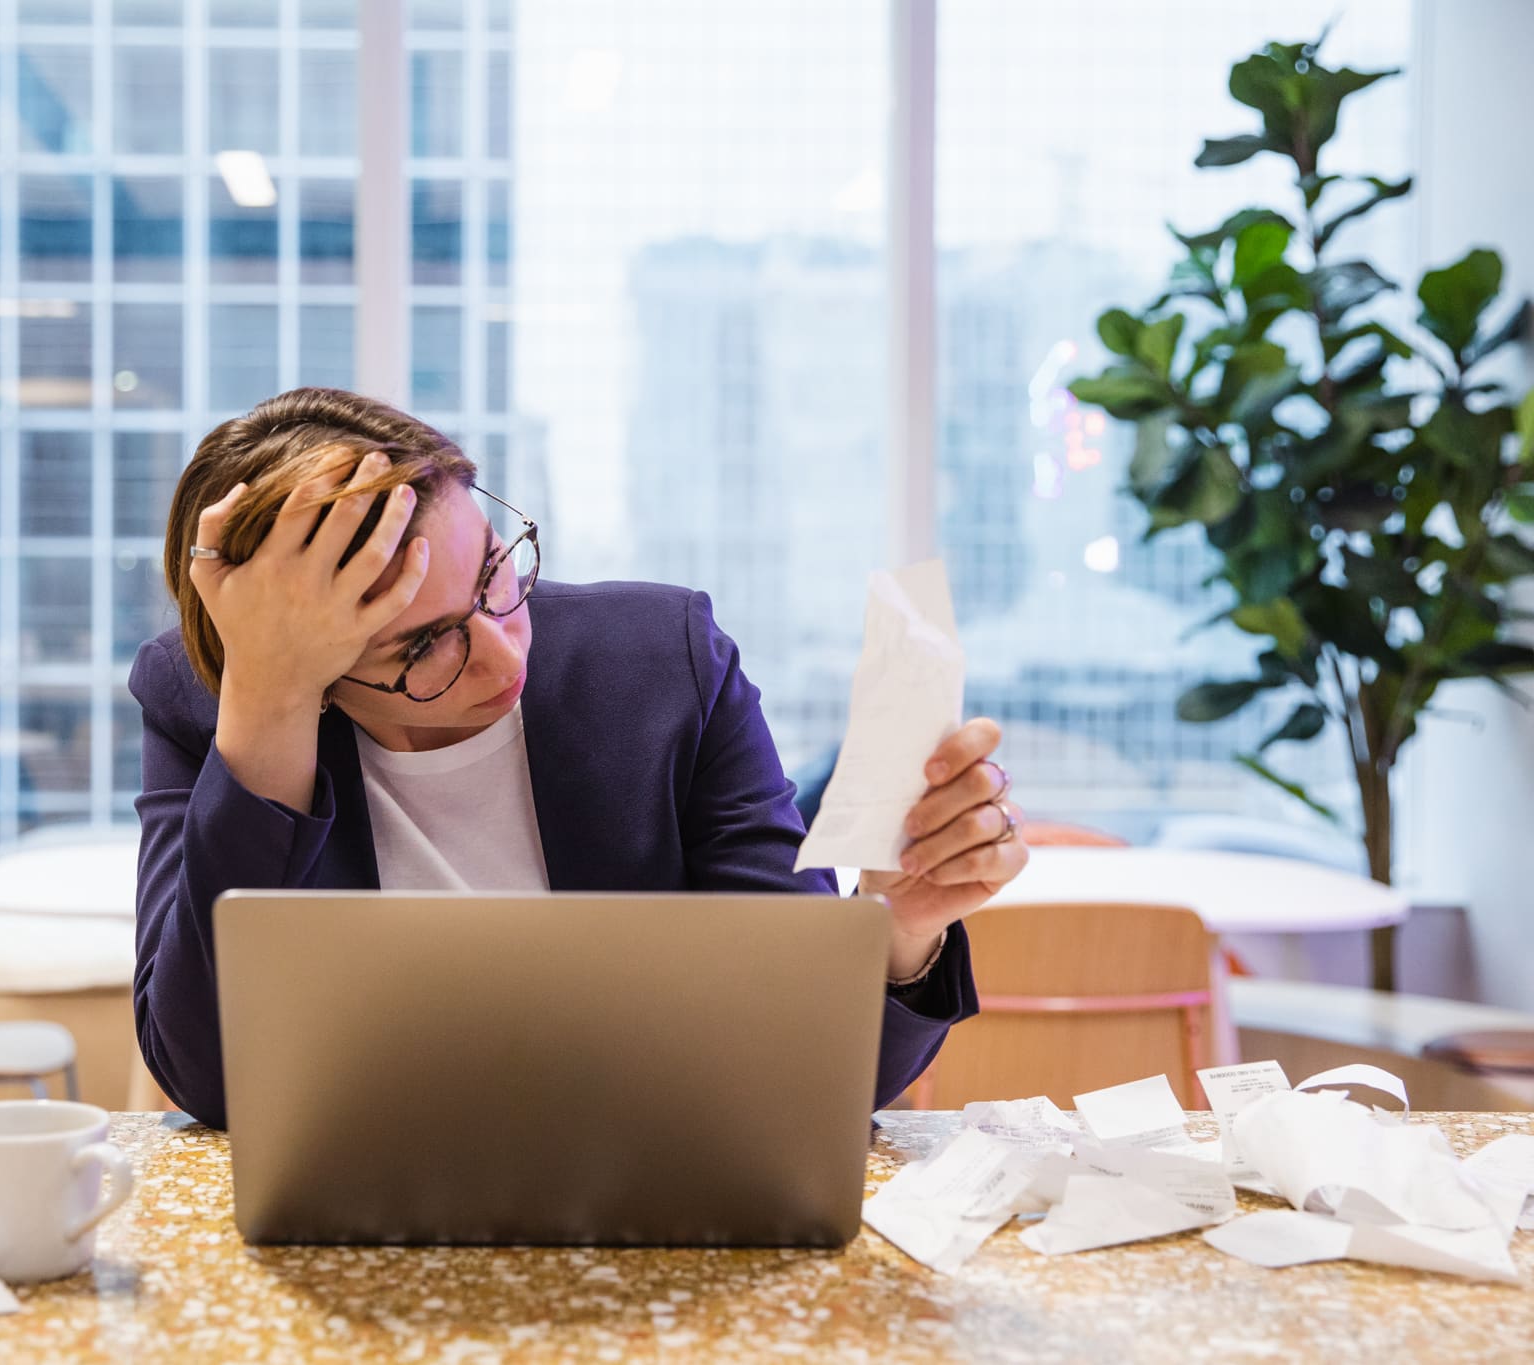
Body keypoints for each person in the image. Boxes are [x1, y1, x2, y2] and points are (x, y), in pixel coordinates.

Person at [130, 389, 1027, 1129]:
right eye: (419, 649)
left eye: (495, 574)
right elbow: (209, 1081)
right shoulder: (218, 702)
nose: (503, 654)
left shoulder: (664, 662)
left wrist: (900, 928)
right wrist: (268, 706)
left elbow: (810, 1071)